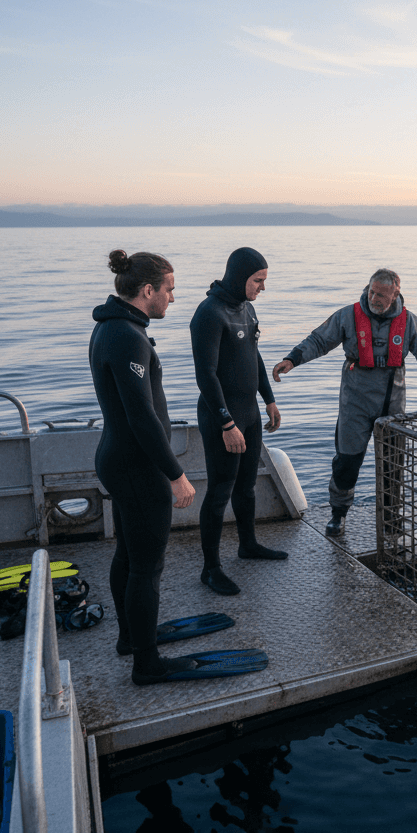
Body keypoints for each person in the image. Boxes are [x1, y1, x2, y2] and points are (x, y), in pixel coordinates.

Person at [272, 268, 417, 536]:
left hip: (392, 404)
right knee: (347, 461)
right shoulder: (348, 315)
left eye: (380, 294)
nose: (373, 298)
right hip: (355, 401)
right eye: (371, 291)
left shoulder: (409, 322)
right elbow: (319, 339)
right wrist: (292, 359)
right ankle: (338, 515)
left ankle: (391, 518)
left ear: (395, 294)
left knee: (393, 463)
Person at [89, 250, 197, 684]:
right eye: (168, 289)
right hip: (136, 465)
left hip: (118, 458)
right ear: (147, 290)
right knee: (146, 567)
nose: (173, 297)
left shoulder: (111, 328)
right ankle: (146, 664)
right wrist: (176, 474)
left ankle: (130, 637)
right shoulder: (127, 337)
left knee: (129, 555)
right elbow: (142, 417)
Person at [189, 247, 287, 597]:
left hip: (250, 413)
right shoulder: (209, 314)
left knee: (246, 486)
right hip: (223, 416)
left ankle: (248, 544)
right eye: (258, 280)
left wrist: (269, 399)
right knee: (219, 492)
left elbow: (254, 356)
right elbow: (206, 376)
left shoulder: (246, 309)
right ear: (239, 276)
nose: (262, 287)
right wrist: (226, 423)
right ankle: (211, 569)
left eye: (263, 280)